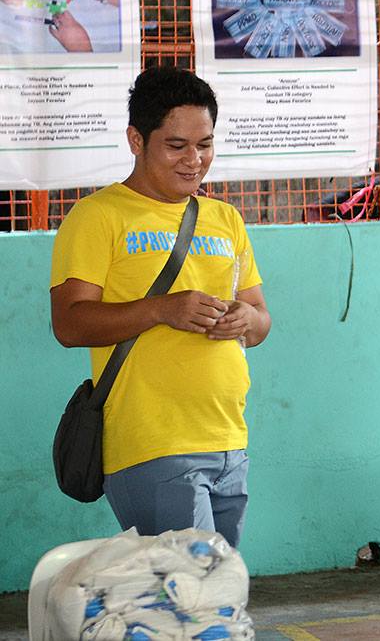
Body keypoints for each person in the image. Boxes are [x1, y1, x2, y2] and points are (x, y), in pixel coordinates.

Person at [49, 66, 272, 548]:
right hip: (153, 443)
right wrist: (160, 310)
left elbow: (260, 319)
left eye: (205, 144)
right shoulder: (98, 216)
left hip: (228, 439)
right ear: (136, 140)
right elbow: (69, 323)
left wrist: (246, 319)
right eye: (176, 146)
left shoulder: (225, 219)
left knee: (214, 586)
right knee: (192, 585)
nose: (194, 160)